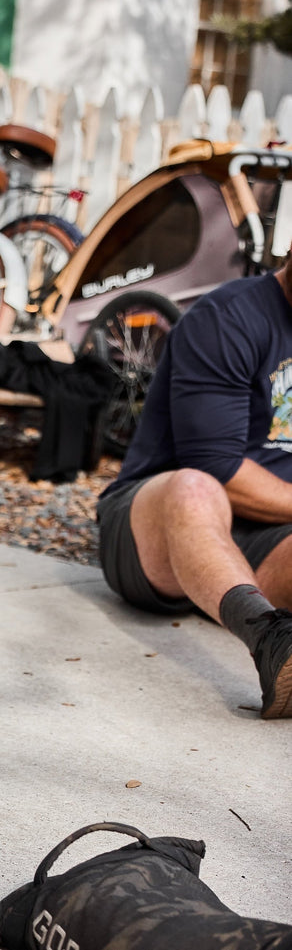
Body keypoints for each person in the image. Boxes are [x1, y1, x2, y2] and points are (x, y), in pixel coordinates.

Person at [95, 266, 292, 719]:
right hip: (159, 523)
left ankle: (239, 598)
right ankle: (270, 639)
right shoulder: (229, 317)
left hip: (269, 536)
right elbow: (217, 465)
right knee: (195, 488)